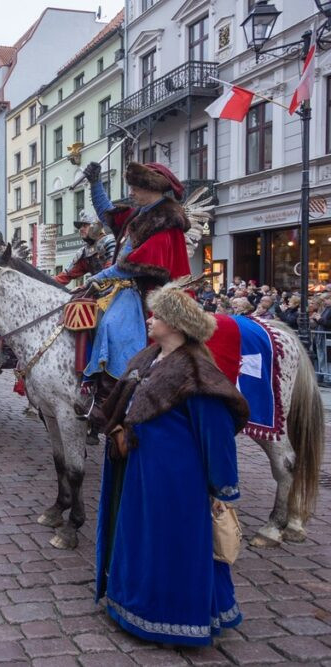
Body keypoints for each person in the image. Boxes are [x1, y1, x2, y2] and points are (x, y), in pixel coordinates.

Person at [96, 283, 248, 646]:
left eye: (158, 316)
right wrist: (118, 425)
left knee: (170, 547)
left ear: (177, 325)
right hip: (140, 471)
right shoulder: (148, 357)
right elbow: (126, 401)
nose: (150, 320)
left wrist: (222, 487)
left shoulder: (196, 370)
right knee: (140, 541)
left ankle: (171, 619)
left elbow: (216, 431)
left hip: (177, 480)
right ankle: (133, 606)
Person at [80, 160, 191, 424]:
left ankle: (112, 398)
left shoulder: (165, 221)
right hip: (125, 289)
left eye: (135, 187)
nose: (131, 192)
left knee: (113, 326)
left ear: (150, 187)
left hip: (151, 294)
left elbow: (134, 264)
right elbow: (107, 213)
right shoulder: (138, 214)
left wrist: (98, 277)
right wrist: (95, 183)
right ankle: (91, 384)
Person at [55, 210, 116, 285]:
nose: (81, 229)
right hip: (98, 287)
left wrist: (87, 285)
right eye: (80, 227)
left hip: (118, 286)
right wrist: (46, 282)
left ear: (96, 226)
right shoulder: (85, 252)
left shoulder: (109, 241)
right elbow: (66, 275)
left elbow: (112, 270)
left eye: (85, 226)